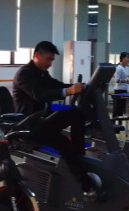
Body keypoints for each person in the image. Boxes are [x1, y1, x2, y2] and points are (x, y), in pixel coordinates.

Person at [12, 41, 104, 198]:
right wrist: (68, 90)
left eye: (52, 60)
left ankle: (79, 156)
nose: (50, 63)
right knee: (64, 144)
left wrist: (80, 88)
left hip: (43, 120)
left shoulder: (41, 73)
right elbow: (40, 95)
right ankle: (86, 187)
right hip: (30, 125)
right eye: (48, 59)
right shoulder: (24, 74)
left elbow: (56, 85)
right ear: (37, 55)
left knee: (76, 114)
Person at [113, 52, 129, 117]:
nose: (128, 60)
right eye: (127, 58)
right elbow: (117, 80)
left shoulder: (125, 68)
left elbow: (124, 80)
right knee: (117, 109)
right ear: (122, 58)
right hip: (118, 91)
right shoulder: (118, 68)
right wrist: (127, 81)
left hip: (124, 90)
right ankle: (113, 122)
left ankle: (120, 122)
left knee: (121, 109)